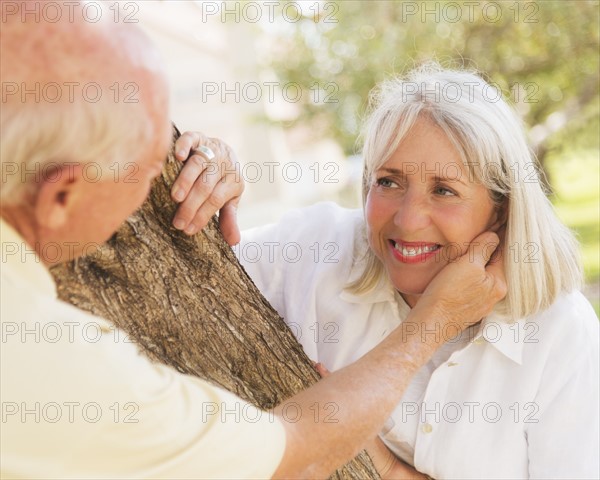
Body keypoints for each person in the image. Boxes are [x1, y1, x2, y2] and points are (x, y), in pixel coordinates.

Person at [0, 4, 506, 479]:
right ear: (61, 196)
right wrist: (431, 324)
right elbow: (293, 448)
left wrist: (211, 162)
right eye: (153, 167)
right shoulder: (59, 368)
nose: (162, 178)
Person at [177, 65, 598, 478]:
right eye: (389, 183)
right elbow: (189, 271)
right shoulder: (315, 249)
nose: (409, 220)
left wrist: (387, 467)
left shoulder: (559, 332)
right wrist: (210, 165)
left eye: (444, 190)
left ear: (501, 209)